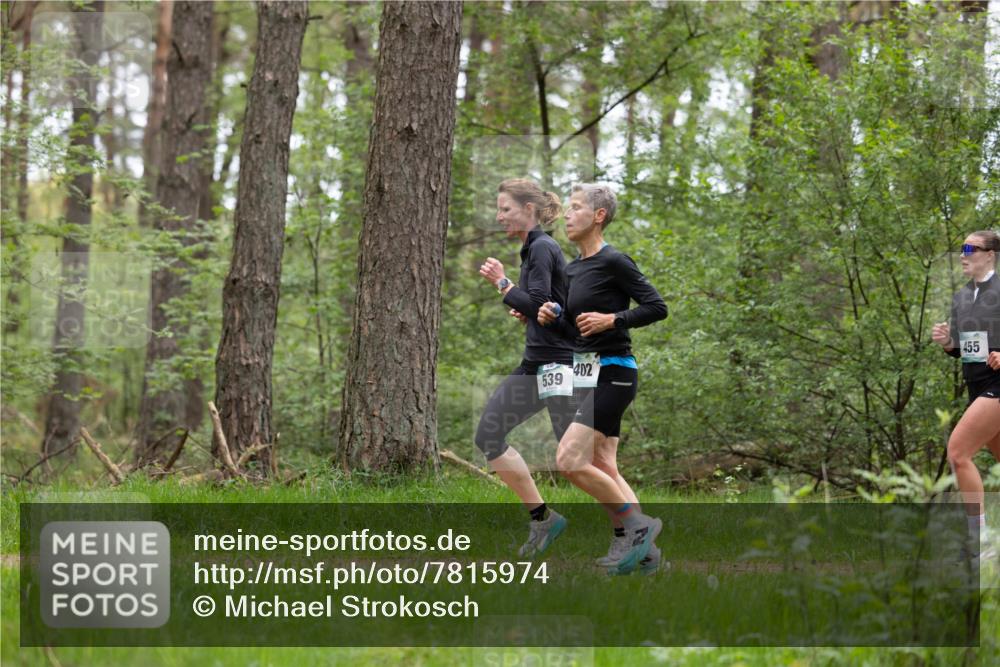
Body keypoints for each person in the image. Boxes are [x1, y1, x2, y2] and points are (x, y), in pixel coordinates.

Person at [538, 183, 667, 575]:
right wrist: (549, 318)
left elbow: (657, 307)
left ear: (598, 216)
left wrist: (615, 319)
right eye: (568, 208)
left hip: (616, 372)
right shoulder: (572, 270)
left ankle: (638, 526)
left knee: (569, 460)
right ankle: (640, 551)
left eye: (576, 207)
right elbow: (576, 332)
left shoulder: (615, 262)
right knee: (604, 466)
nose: (567, 214)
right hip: (587, 371)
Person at [475, 178, 576, 557]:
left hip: (560, 366)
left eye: (506, 208)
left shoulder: (543, 247)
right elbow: (547, 307)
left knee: (581, 462)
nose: (499, 216)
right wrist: (527, 313)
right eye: (499, 209)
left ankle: (635, 529)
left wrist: (502, 283)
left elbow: (545, 305)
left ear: (529, 210)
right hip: (536, 364)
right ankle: (542, 519)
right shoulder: (533, 249)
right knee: (489, 435)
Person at [932, 231, 1000, 565]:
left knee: (958, 452)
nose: (963, 254)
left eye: (971, 248)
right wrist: (946, 341)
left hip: (998, 386)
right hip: (977, 387)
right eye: (961, 248)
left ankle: (981, 543)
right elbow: (961, 349)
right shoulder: (961, 298)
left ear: (990, 254)